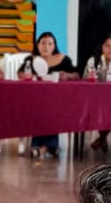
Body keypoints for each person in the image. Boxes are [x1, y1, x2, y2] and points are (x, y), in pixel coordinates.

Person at [28, 31, 79, 160]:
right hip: (36, 100)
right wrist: (32, 76)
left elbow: (77, 75)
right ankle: (48, 147)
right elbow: (21, 73)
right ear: (38, 45)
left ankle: (41, 148)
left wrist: (67, 75)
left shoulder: (63, 59)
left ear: (54, 46)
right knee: (39, 110)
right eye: (43, 43)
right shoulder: (32, 60)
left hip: (59, 101)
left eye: (50, 43)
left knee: (51, 111)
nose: (46, 46)